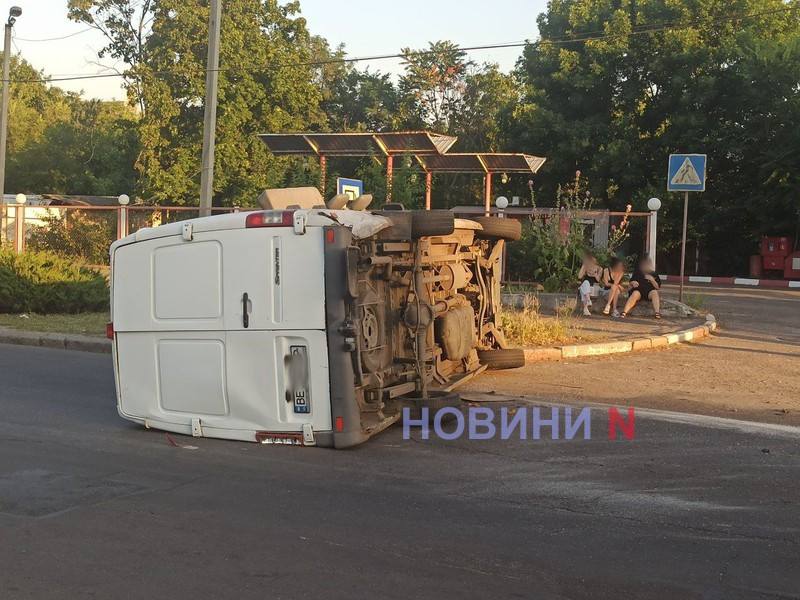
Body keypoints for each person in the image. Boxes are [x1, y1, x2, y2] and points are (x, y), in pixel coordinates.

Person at [577, 251, 603, 316]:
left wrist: (595, 274)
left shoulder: (599, 268)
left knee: (584, 290)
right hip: (586, 287)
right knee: (586, 283)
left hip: (594, 287)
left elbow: (598, 280)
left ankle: (585, 308)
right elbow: (579, 276)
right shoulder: (586, 267)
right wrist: (584, 266)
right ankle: (588, 301)